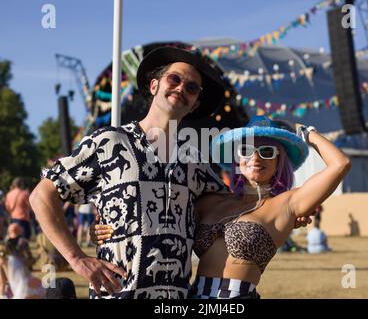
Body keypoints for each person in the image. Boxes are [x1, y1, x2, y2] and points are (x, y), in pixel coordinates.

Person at [29, 46, 233, 299]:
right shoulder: (109, 142)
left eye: (192, 88)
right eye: (174, 79)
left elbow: (230, 208)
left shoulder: (195, 161)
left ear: (194, 105)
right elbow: (42, 196)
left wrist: (285, 199)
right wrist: (77, 258)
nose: (182, 88)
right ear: (154, 86)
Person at [92, 116, 351, 298]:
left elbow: (340, 164)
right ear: (237, 158)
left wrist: (306, 133)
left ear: (279, 161)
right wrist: (110, 226)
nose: (256, 157)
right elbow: (156, 211)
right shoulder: (211, 200)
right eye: (247, 149)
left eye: (268, 152)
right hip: (190, 297)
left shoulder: (287, 204)